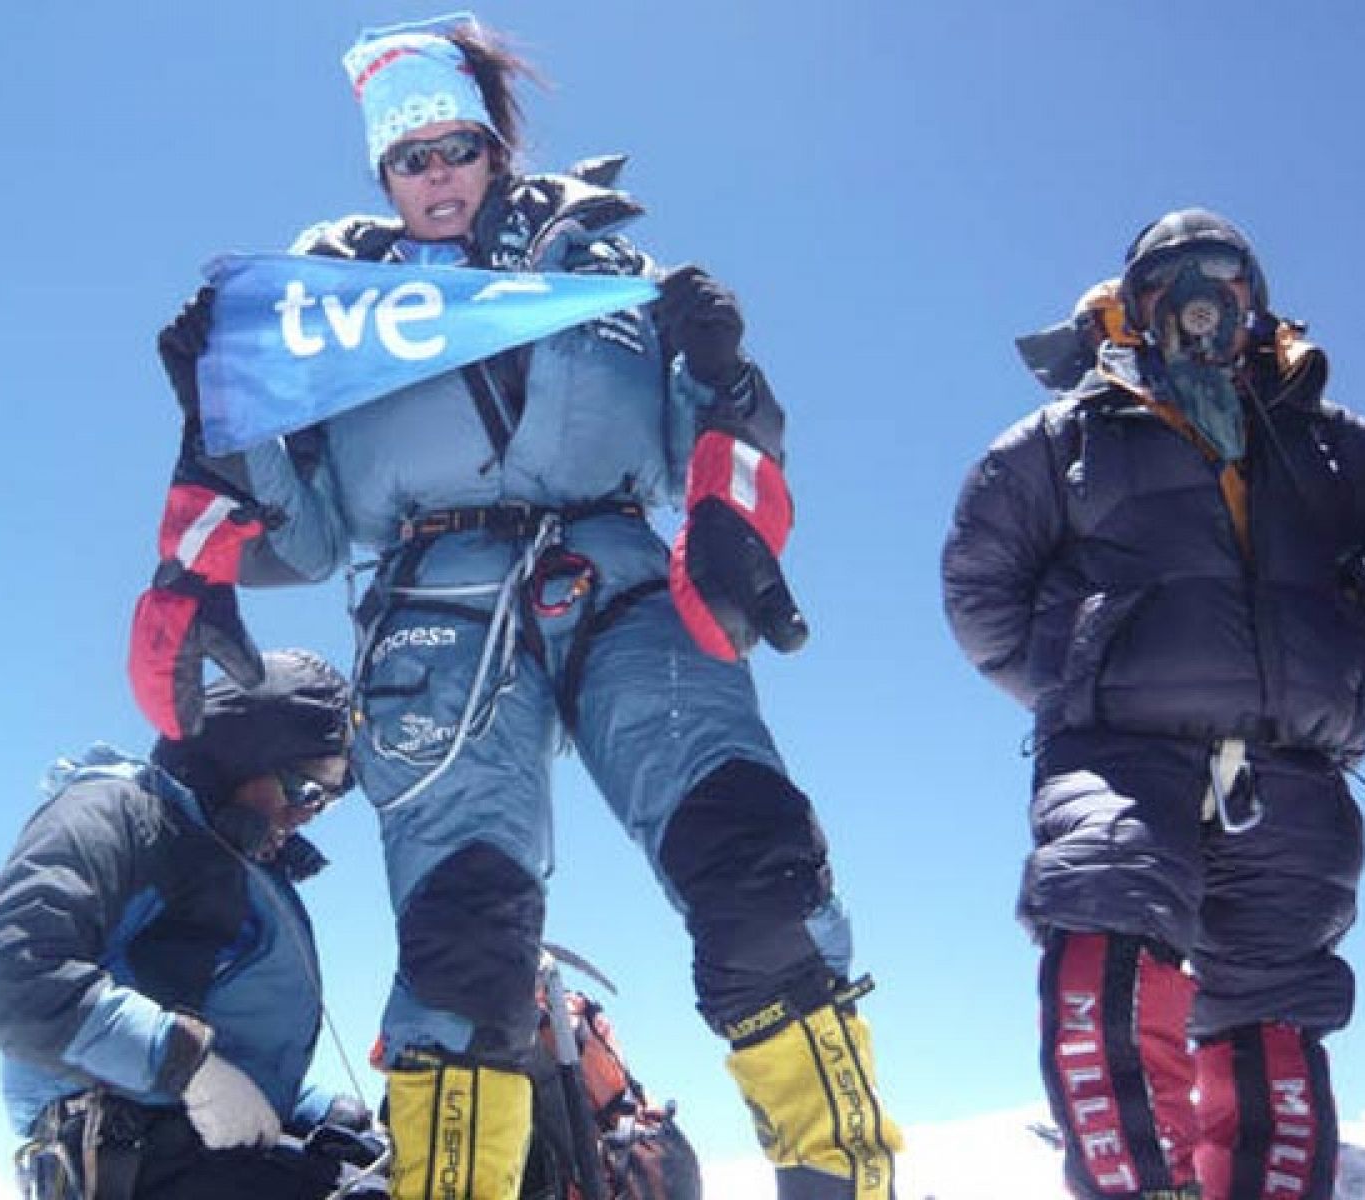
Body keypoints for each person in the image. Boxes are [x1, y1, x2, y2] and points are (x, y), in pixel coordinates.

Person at [127, 12, 900, 1200]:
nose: (435, 176)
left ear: (495, 150)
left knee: (751, 862)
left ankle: (844, 1179)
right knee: (463, 939)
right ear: (384, 175)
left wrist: (725, 373)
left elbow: (694, 445)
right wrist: (227, 407)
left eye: (454, 148)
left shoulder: (598, 275)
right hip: (434, 610)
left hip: (617, 575)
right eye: (408, 158)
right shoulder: (340, 308)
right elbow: (310, 532)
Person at [942, 208, 1365, 1200]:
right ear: (1135, 305)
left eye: (1223, 276)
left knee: (1272, 1000)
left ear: (1254, 302)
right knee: (1103, 921)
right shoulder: (1065, 439)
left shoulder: (1332, 447)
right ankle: (1138, 1183)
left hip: (1292, 764)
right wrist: (1086, 682)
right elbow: (979, 589)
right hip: (1120, 753)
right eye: (1173, 279)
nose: (1200, 298)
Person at [0, 650, 372, 1200]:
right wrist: (189, 1069)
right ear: (240, 756)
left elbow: (231, 1057)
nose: (305, 816)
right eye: (304, 789)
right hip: (126, 1155)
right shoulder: (117, 815)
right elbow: (13, 981)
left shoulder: (233, 866)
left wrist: (324, 1114)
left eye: (323, 803)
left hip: (200, 1151)